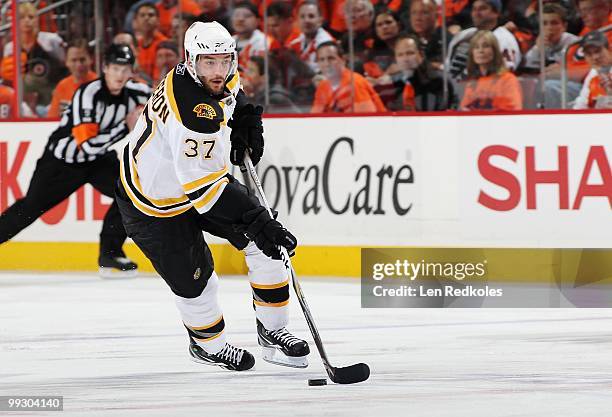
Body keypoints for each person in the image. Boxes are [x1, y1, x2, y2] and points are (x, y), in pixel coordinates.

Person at [115, 21, 309, 371]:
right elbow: (204, 193)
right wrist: (256, 218)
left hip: (199, 179)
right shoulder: (192, 112)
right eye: (209, 63)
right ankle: (210, 346)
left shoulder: (210, 74)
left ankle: (274, 332)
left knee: (266, 246)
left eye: (225, 60)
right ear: (191, 61)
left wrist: (245, 116)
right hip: (153, 201)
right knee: (196, 280)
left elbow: (232, 91)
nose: (218, 71)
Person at [0, 44, 151, 277]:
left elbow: (166, 99)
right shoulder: (87, 94)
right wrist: (125, 128)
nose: (120, 75)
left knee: (130, 192)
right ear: (105, 68)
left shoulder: (137, 92)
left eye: (125, 69)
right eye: (115, 68)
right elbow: (86, 145)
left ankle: (110, 255)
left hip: (99, 160)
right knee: (29, 209)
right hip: (62, 163)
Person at [446, 0, 521, 82]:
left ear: (496, 13)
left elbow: (504, 74)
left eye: (482, 9)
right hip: (458, 89)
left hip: (489, 90)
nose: (476, 13)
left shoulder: (505, 38)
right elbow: (448, 67)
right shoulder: (463, 36)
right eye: (474, 9)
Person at [311, 41, 387, 113]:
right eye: (321, 60)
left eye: (331, 58)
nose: (326, 64)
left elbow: (366, 120)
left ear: (343, 60)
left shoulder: (355, 83)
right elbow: (315, 118)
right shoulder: (322, 86)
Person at [459, 30, 523, 111]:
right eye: (476, 47)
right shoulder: (472, 82)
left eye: (485, 46)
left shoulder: (508, 80)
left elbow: (514, 111)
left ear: (495, 51)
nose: (480, 51)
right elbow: (464, 109)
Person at [47, 39, 98, 118]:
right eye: (74, 60)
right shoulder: (62, 86)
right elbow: (52, 118)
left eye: (82, 60)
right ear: (66, 62)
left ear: (91, 59)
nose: (78, 65)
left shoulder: (100, 85)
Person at [287, 0, 335, 73]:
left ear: (320, 20)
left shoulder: (326, 44)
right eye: (302, 16)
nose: (306, 20)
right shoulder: (296, 41)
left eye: (311, 16)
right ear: (297, 20)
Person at [573, 30, 612, 109]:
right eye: (589, 54)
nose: (595, 57)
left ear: (609, 49)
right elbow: (580, 106)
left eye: (598, 51)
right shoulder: (593, 74)